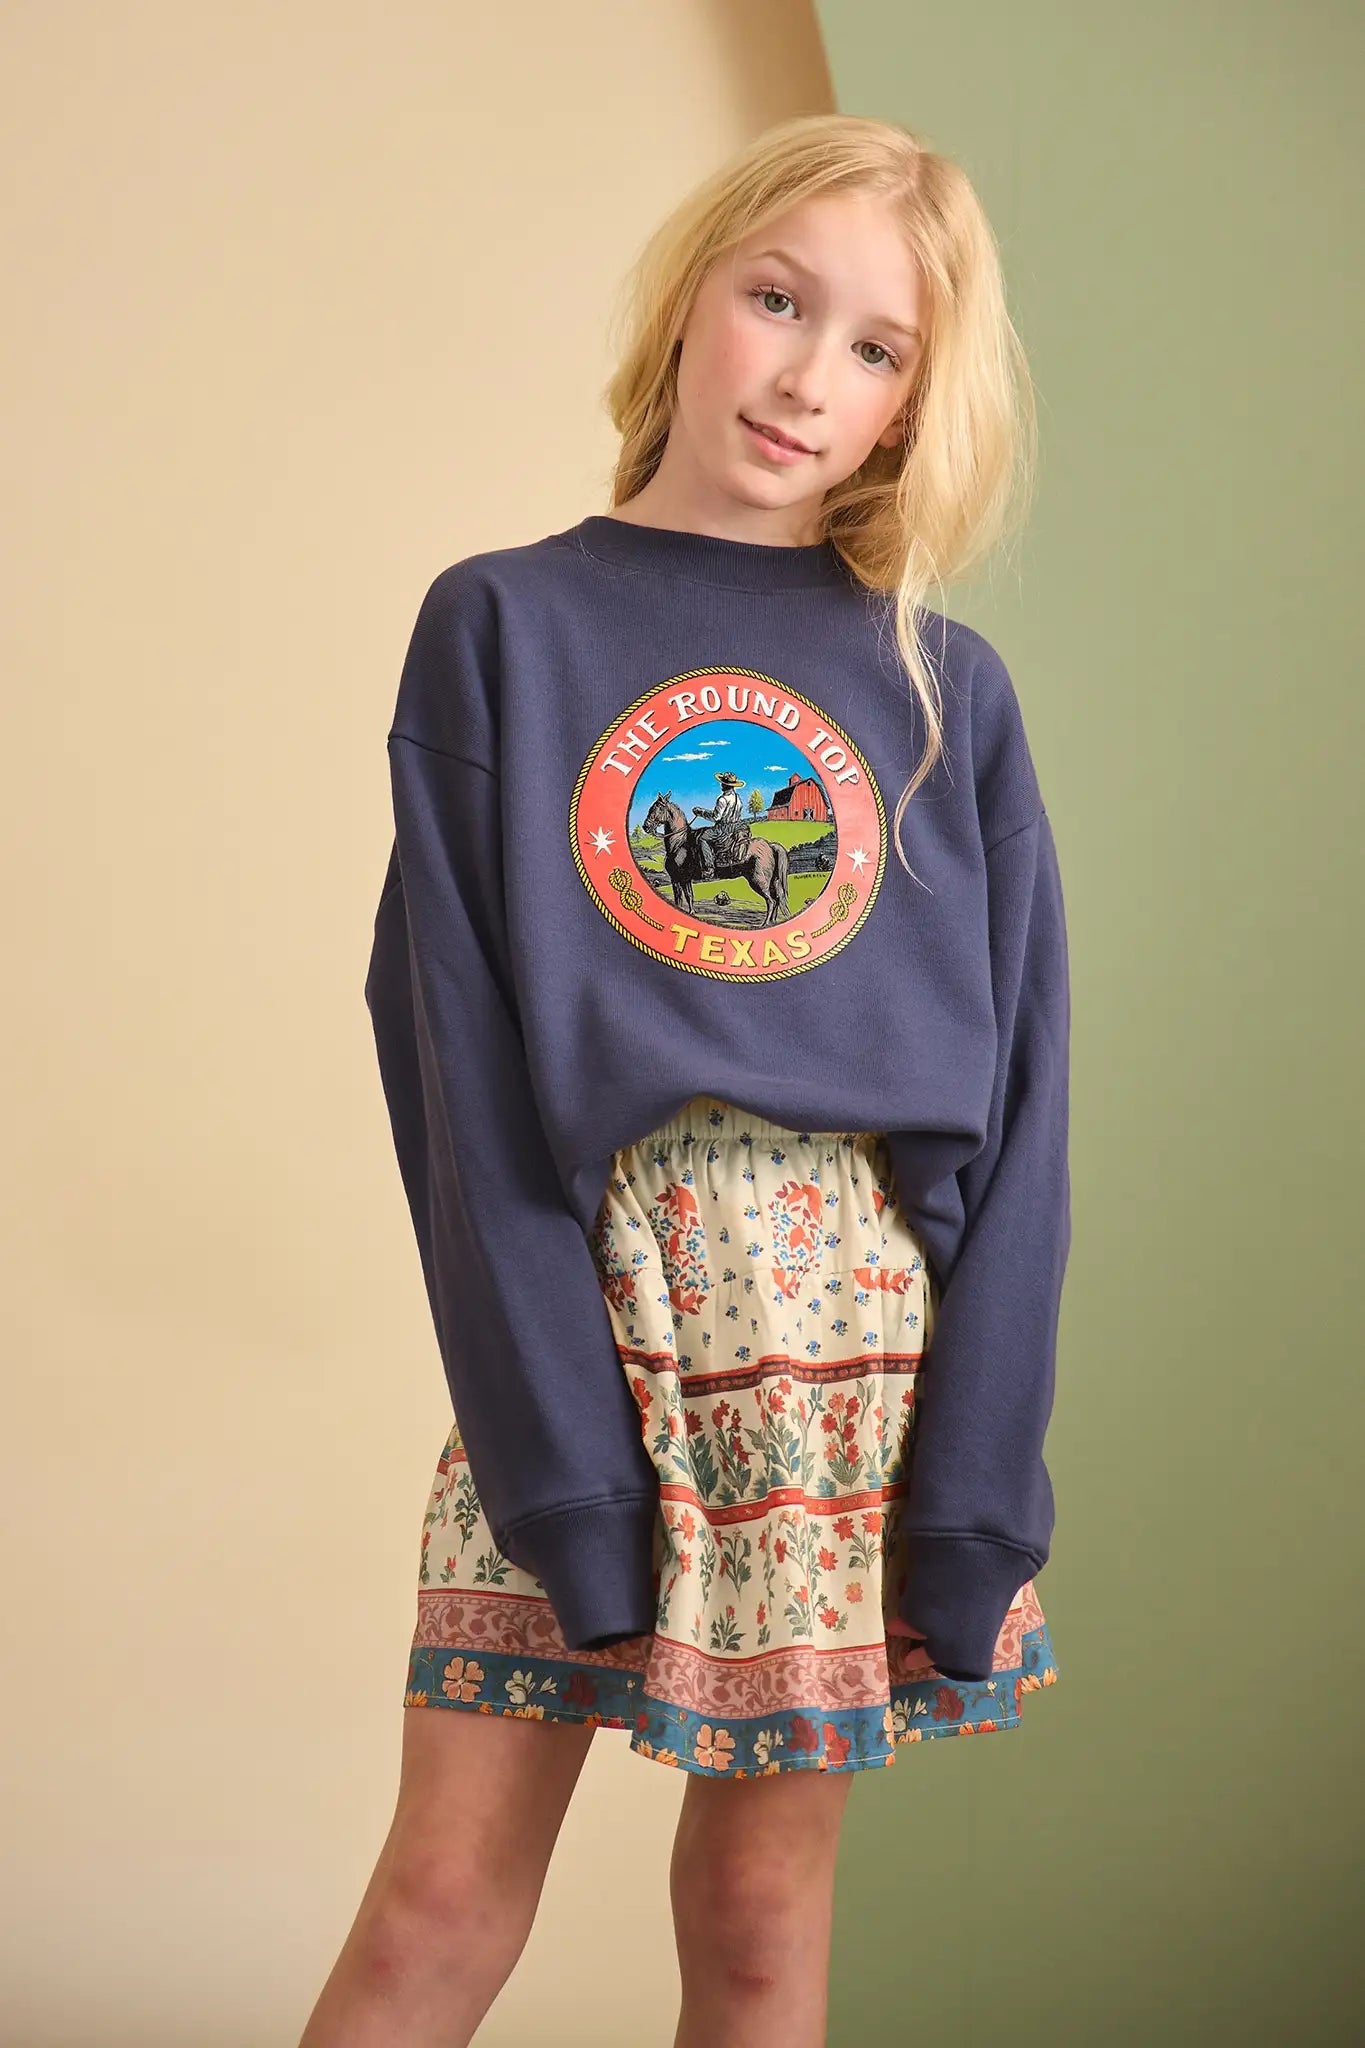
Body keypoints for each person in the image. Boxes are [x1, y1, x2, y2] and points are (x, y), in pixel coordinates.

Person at [301, 111, 1071, 2048]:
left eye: (876, 347)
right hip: (579, 1317)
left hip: (852, 1361)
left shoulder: (944, 691)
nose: (809, 377)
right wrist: (555, 1456)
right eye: (777, 300)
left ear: (911, 407)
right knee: (438, 1904)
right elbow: (454, 1056)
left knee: (753, 1920)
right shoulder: (504, 625)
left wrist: (975, 1488)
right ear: (687, 301)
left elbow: (1023, 1105)